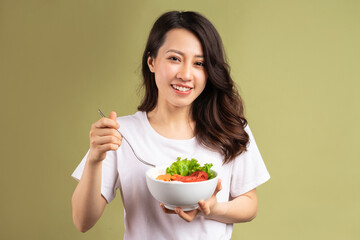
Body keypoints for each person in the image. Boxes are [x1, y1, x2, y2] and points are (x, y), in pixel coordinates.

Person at [71, 11, 270, 240]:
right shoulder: (121, 134)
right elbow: (82, 221)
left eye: (199, 63)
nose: (185, 74)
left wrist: (212, 209)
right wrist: (95, 158)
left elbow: (249, 204)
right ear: (152, 61)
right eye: (174, 58)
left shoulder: (230, 128)